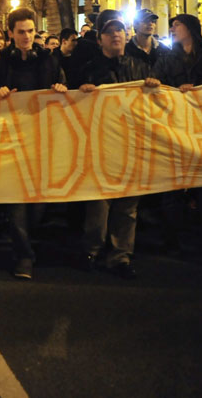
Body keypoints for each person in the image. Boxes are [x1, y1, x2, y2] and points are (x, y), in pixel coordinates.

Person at [0, 7, 67, 279]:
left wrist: (61, 90)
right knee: (17, 199)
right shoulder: (1, 66)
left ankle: (25, 240)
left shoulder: (49, 60)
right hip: (12, 140)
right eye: (21, 32)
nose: (27, 36)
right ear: (11, 33)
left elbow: (64, 87)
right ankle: (24, 256)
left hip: (43, 138)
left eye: (31, 31)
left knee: (39, 199)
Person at [77, 18, 160, 279]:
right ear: (100, 38)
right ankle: (93, 250)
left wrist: (154, 89)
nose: (116, 36)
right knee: (99, 201)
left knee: (127, 204)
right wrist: (83, 92)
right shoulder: (89, 69)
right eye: (110, 32)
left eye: (120, 32)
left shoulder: (139, 67)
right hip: (100, 143)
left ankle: (121, 255)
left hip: (131, 142)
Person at [154, 14, 202, 267]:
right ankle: (173, 241)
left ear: (191, 29)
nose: (172, 28)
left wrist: (198, 93)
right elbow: (157, 94)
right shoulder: (165, 62)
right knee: (173, 190)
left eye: (177, 25)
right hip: (175, 131)